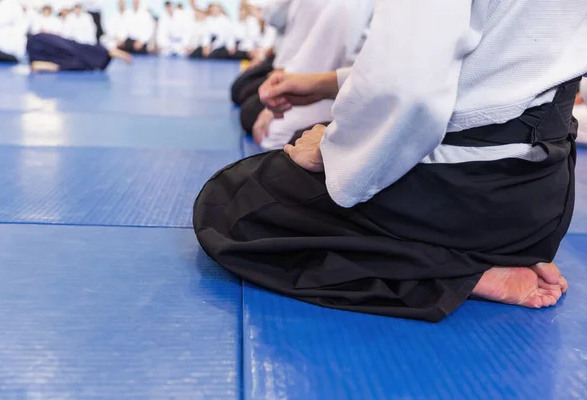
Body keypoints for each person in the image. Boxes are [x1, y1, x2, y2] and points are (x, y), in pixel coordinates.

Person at [194, 0, 587, 322]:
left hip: (469, 199)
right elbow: (489, 63)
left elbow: (408, 84)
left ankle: (457, 272)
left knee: (235, 204)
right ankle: (475, 259)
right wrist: (324, 83)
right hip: (542, 199)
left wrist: (332, 150)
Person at [252, 0, 374, 149]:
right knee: (249, 104)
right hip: (336, 79)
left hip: (354, 91)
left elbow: (323, 52)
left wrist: (297, 78)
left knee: (272, 133)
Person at [236, 0, 327, 133]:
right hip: (285, 63)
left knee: (249, 115)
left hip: (311, 72)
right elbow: (276, 21)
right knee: (241, 93)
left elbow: (310, 50)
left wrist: (285, 73)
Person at [27, 32, 132, 72]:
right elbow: (41, 65)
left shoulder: (37, 40)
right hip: (42, 46)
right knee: (75, 52)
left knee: (74, 52)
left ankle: (107, 53)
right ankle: (107, 53)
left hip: (42, 44)